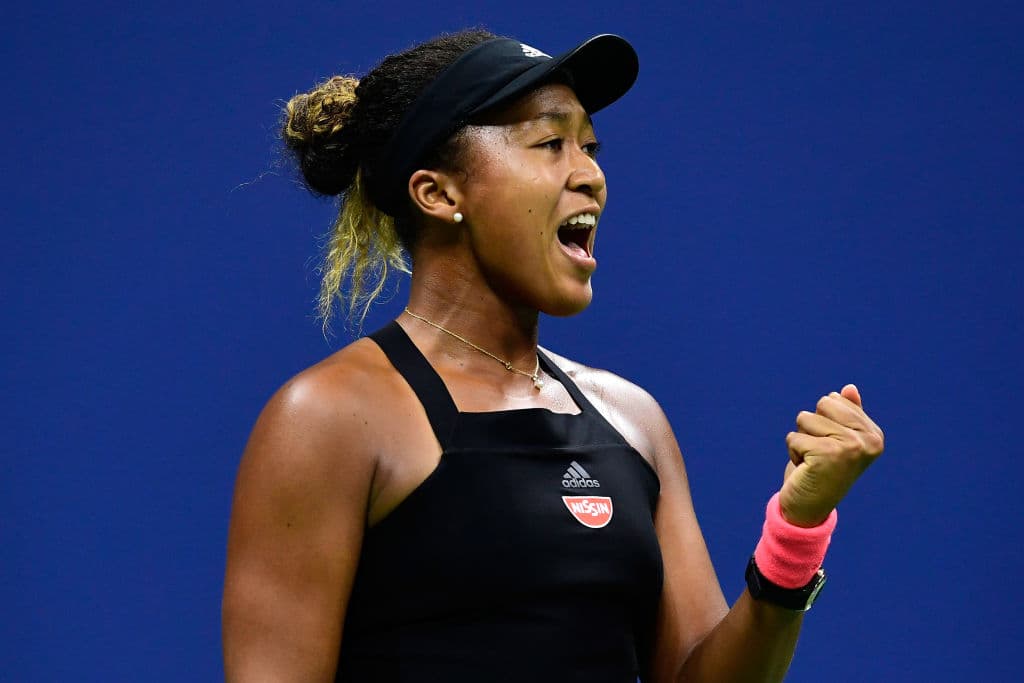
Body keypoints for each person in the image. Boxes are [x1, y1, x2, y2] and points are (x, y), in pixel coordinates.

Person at [221, 29, 885, 682]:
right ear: (440, 193)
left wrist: (796, 528)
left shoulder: (633, 419)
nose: (591, 174)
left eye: (590, 146)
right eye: (550, 143)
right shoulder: (329, 417)